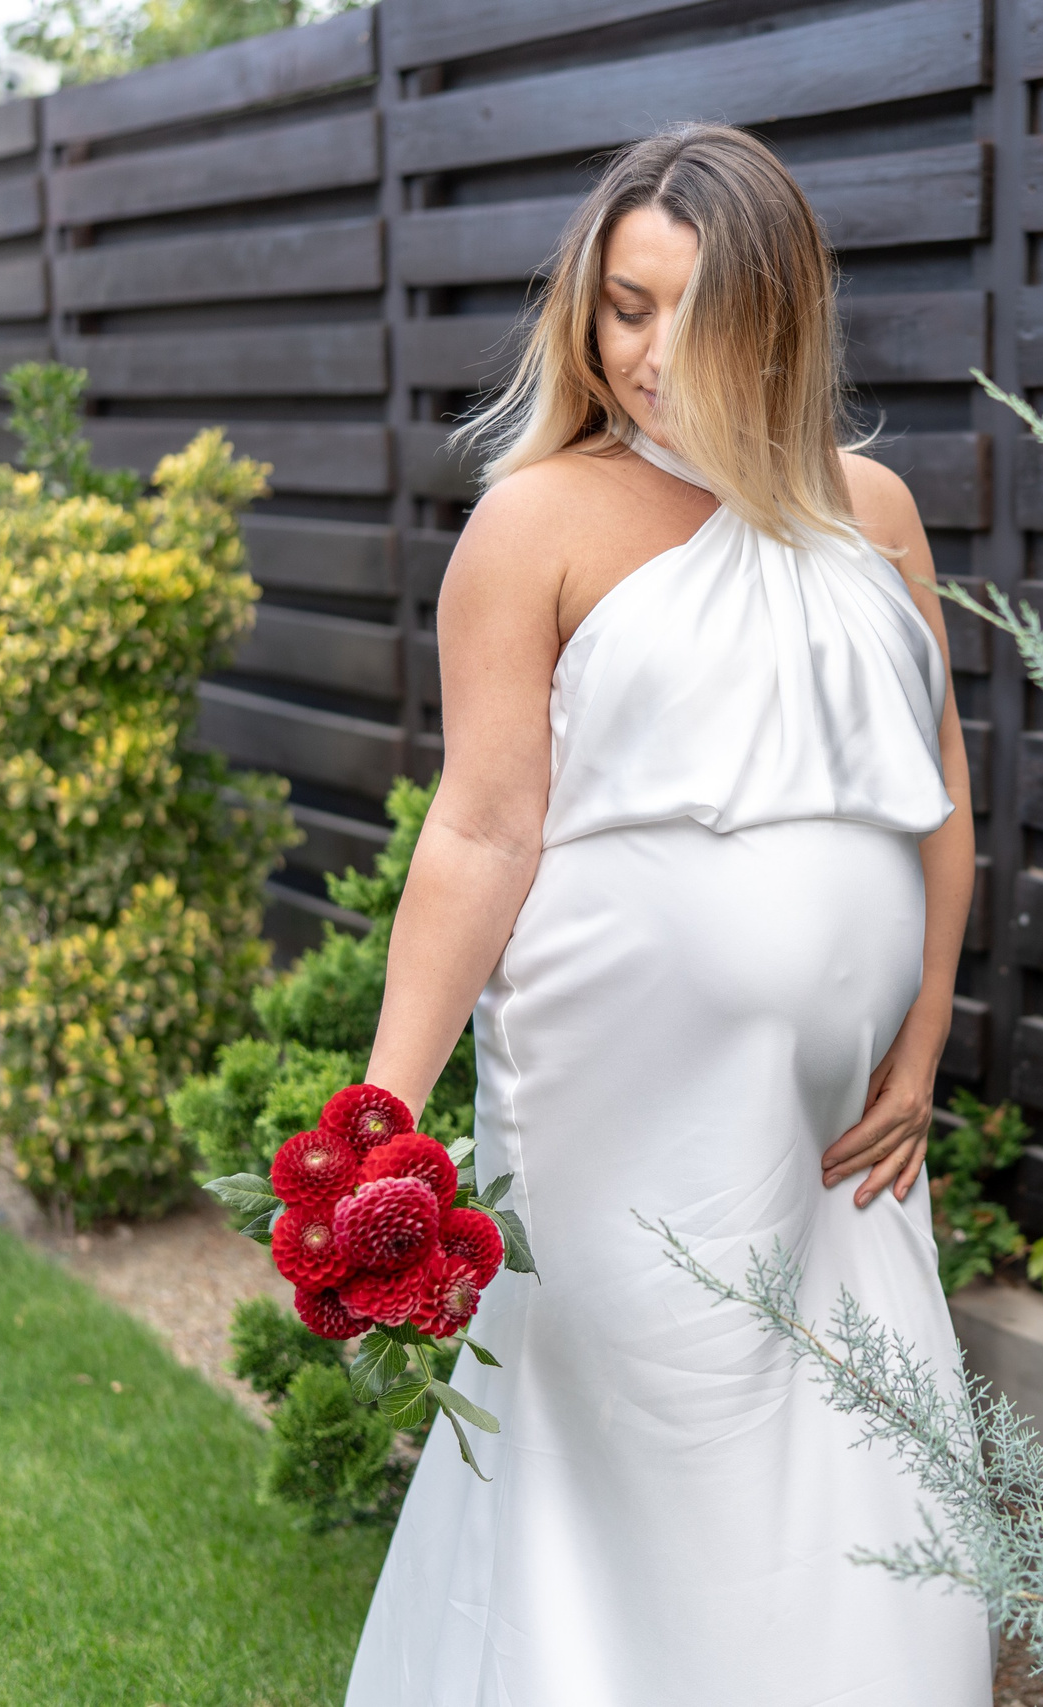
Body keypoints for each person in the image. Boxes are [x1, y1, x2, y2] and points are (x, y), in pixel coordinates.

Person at [340, 122, 992, 1706]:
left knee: (857, 1450)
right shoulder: (538, 522)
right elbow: (481, 827)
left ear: (778, 316)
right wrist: (381, 1124)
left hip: (841, 1135)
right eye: (624, 306)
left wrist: (921, 1041)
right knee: (648, 1462)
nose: (647, 351)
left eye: (691, 312)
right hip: (616, 1110)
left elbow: (936, 792)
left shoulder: (873, 511)